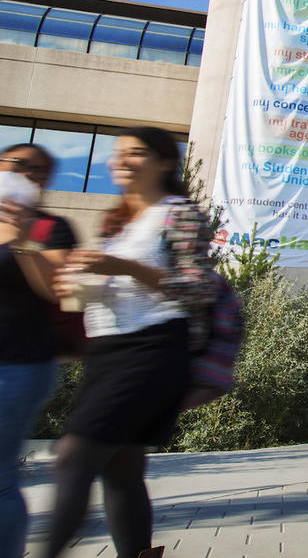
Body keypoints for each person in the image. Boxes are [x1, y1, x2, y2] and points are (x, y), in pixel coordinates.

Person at [47, 127, 215, 558]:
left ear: (163, 163)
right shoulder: (119, 220)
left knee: (74, 457)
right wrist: (82, 280)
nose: (120, 160)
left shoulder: (179, 213)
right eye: (117, 153)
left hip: (152, 349)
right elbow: (115, 286)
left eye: (135, 153)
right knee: (120, 471)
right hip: (109, 352)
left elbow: (197, 290)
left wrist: (121, 266)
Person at [0, 143, 77, 558]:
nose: (29, 174)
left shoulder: (50, 227)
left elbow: (57, 290)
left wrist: (26, 236)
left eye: (40, 170)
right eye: (18, 164)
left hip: (16, 366)